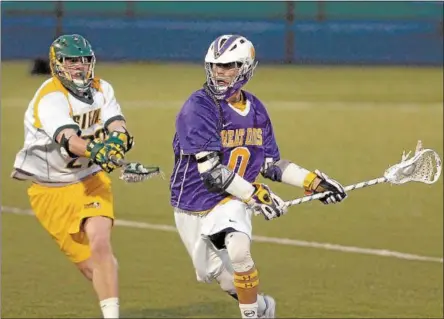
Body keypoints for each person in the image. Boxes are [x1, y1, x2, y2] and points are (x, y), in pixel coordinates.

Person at [170, 34, 348, 319]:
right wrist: (254, 194)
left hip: (230, 199)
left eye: (228, 66)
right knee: (224, 279)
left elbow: (270, 163)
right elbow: (211, 172)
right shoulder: (198, 107)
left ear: (246, 67)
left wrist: (312, 182)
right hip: (192, 201)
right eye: (215, 66)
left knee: (240, 252)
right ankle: (263, 308)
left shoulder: (257, 110)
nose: (220, 73)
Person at [11, 34, 134, 319]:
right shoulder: (50, 97)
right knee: (91, 267)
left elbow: (116, 120)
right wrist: (97, 149)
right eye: (71, 61)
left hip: (90, 179)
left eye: (83, 60)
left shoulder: (102, 88)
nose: (79, 66)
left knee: (100, 241)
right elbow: (68, 138)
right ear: (57, 64)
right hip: (50, 190)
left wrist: (119, 139)